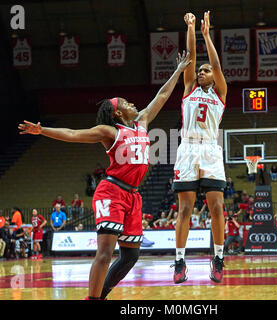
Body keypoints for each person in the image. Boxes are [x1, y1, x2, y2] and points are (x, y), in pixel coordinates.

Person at [19, 51, 191, 300]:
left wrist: (177, 71)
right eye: (125, 103)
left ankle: (100, 295)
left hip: (133, 196)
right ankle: (92, 298)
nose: (132, 104)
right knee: (105, 251)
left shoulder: (142, 122)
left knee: (131, 256)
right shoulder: (109, 131)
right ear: (118, 113)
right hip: (112, 191)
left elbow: (162, 95)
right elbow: (72, 133)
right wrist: (42, 129)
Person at [172, 11, 227, 284]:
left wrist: (208, 35)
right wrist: (192, 28)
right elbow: (191, 57)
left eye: (207, 71)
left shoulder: (221, 92)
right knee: (185, 210)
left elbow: (217, 66)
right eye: (201, 71)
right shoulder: (189, 89)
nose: (203, 72)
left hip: (211, 150)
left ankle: (218, 258)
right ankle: (180, 261)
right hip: (188, 149)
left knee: (217, 207)